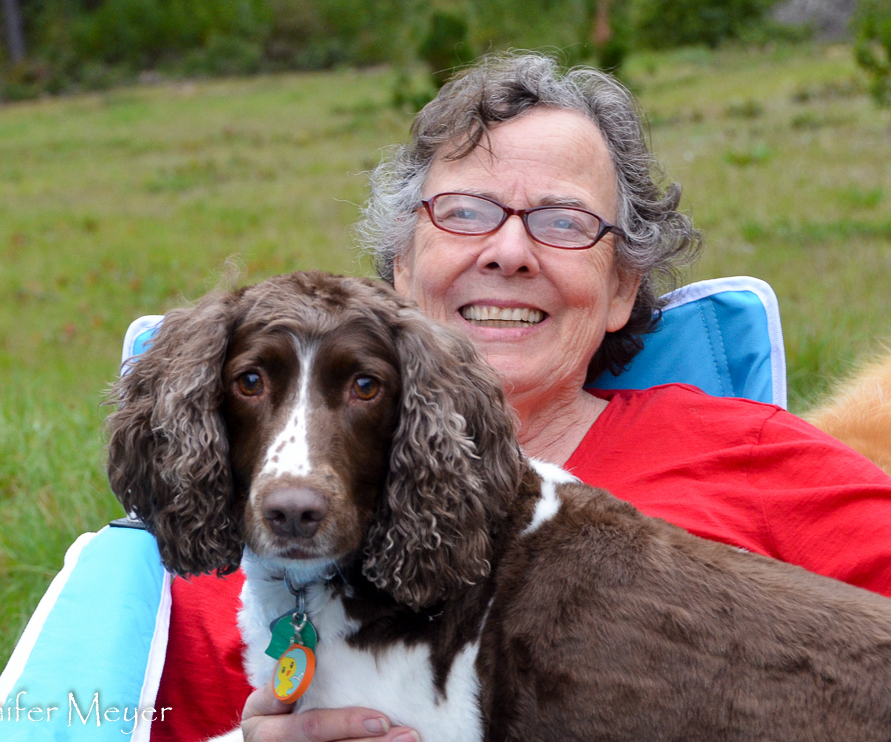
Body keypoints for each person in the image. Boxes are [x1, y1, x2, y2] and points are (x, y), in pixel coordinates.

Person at [151, 53, 891, 742]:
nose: (509, 251)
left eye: (563, 222)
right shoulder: (248, 537)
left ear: (620, 289)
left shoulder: (748, 454)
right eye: (467, 212)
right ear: (402, 267)